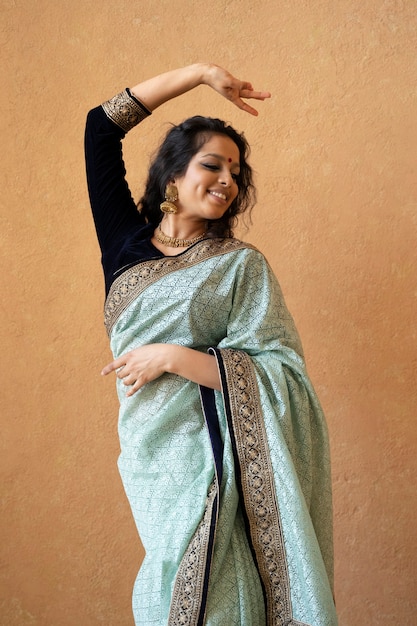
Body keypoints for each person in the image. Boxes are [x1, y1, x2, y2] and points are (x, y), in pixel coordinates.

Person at [85, 63, 338, 626]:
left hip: (215, 457)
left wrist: (171, 357)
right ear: (172, 177)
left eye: (236, 172)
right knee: (165, 591)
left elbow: (281, 371)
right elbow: (98, 129)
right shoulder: (124, 245)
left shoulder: (240, 267)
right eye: (212, 164)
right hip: (152, 456)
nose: (227, 179)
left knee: (219, 596)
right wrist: (199, 73)